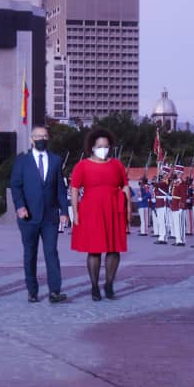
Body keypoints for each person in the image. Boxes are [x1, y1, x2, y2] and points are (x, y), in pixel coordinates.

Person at [9, 125, 70, 303]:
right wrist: (20, 206)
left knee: (51, 252)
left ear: (48, 138)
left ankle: (55, 291)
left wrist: (64, 211)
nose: (41, 139)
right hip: (28, 217)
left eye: (44, 136)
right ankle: (32, 291)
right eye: (37, 136)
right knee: (30, 254)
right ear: (31, 139)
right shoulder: (22, 161)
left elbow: (60, 187)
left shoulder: (56, 160)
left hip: (50, 217)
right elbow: (15, 185)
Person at [70, 128, 129, 301]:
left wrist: (128, 208)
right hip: (91, 210)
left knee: (114, 249)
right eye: (100, 146)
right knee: (94, 250)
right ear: (92, 147)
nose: (104, 148)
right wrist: (75, 212)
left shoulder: (117, 164)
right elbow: (74, 189)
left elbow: (125, 185)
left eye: (106, 146)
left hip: (113, 209)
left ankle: (109, 284)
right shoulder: (82, 165)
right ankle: (94, 285)